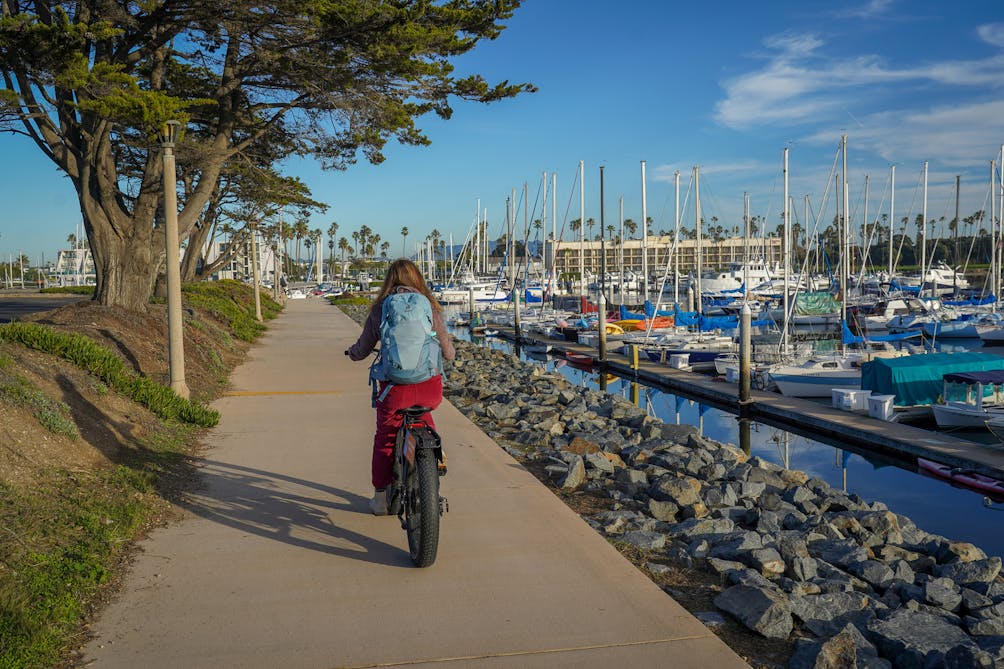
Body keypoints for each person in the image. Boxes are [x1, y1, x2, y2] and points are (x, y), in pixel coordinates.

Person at [345, 258, 455, 515]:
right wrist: (447, 351)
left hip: (394, 391)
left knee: (385, 437)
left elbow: (361, 350)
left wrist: (352, 353)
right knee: (425, 417)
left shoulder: (381, 309)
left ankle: (382, 499)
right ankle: (435, 462)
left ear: (388, 281)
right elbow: (448, 353)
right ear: (417, 279)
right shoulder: (429, 307)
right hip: (429, 388)